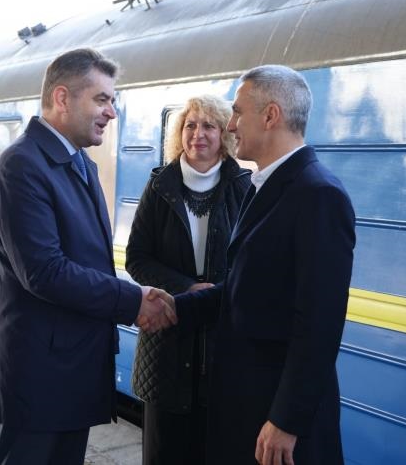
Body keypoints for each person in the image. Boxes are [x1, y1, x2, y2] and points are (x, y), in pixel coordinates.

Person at [146, 64, 356, 465]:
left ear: (271, 115)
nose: (232, 125)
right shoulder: (266, 186)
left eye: (238, 113)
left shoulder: (318, 194)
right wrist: (176, 307)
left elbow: (319, 322)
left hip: (275, 417)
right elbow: (248, 287)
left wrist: (287, 420)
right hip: (250, 405)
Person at [0, 48, 175, 465]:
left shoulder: (78, 163)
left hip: (66, 369)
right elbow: (44, 271)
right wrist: (134, 300)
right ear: (62, 98)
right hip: (37, 376)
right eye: (101, 99)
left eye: (112, 100)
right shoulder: (22, 166)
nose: (112, 112)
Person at [126, 94, 251, 465]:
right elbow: (137, 258)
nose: (198, 134)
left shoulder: (243, 187)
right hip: (167, 340)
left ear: (224, 134)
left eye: (209, 125)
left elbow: (251, 263)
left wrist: (215, 295)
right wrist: (187, 288)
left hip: (223, 342)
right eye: (190, 125)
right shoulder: (159, 187)